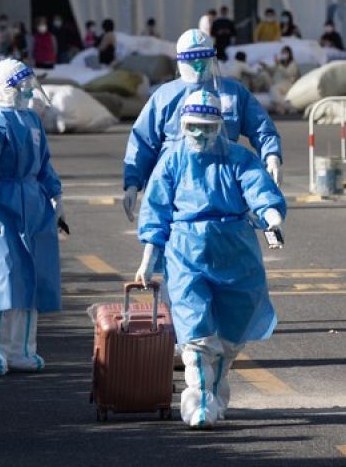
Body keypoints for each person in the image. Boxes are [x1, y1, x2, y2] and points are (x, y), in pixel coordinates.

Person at [134, 89, 286, 429]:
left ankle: (216, 390)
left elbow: (257, 187)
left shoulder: (238, 158)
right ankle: (199, 401)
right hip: (186, 252)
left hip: (235, 251)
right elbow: (156, 210)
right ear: (183, 125)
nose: (199, 134)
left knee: (231, 336)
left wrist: (272, 218)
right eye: (192, 127)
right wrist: (148, 257)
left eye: (207, 126)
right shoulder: (172, 159)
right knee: (196, 335)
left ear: (220, 125)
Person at [122, 29, 283, 222]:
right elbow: (143, 140)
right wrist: (133, 182)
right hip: (174, 185)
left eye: (203, 59)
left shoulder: (233, 93)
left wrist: (271, 155)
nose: (198, 66)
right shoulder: (164, 96)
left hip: (223, 184)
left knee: (226, 238)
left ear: (213, 58)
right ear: (180, 62)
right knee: (174, 242)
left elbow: (261, 126)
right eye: (192, 60)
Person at [0, 59, 64, 375]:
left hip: (33, 205)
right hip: (3, 205)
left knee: (30, 278)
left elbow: (44, 164)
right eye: (23, 86)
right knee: (1, 277)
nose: (28, 92)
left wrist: (55, 194)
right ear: (8, 87)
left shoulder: (32, 121)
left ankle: (22, 349)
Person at [267, 46, 301, 114]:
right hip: (279, 84)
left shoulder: (292, 64)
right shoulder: (280, 63)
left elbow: (288, 74)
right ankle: (280, 107)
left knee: (273, 89)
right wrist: (266, 66)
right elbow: (272, 70)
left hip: (288, 84)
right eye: (282, 53)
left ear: (289, 54)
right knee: (273, 88)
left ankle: (281, 106)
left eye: (285, 52)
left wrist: (279, 65)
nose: (284, 54)